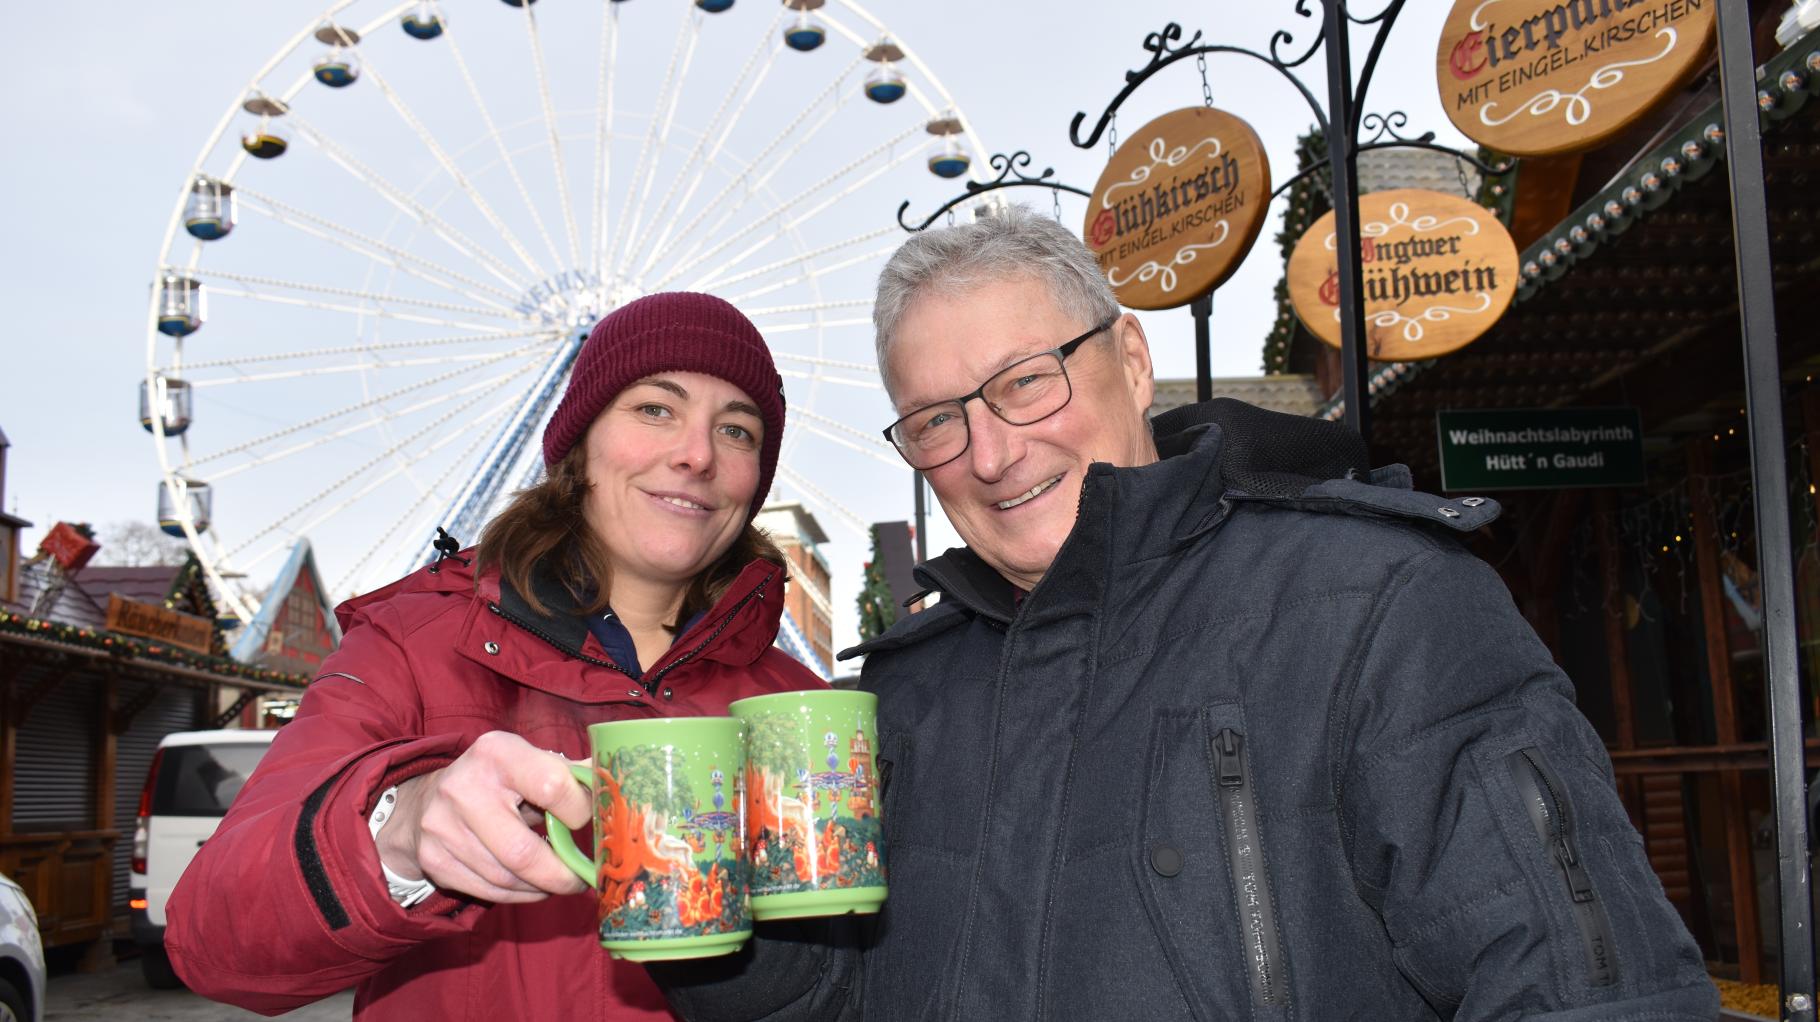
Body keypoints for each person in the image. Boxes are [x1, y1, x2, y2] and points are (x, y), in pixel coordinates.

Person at [654, 208, 1718, 1020]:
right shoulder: (902, 690)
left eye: (1024, 383)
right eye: (936, 420)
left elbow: (1587, 987)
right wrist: (702, 923)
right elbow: (845, 998)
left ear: (1128, 357)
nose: (987, 453)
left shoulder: (1380, 607)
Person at [166, 291, 828, 1020]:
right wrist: (397, 834)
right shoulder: (412, 645)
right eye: (654, 409)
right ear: (580, 445)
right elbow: (214, 943)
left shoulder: (796, 703)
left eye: (737, 431)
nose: (697, 454)